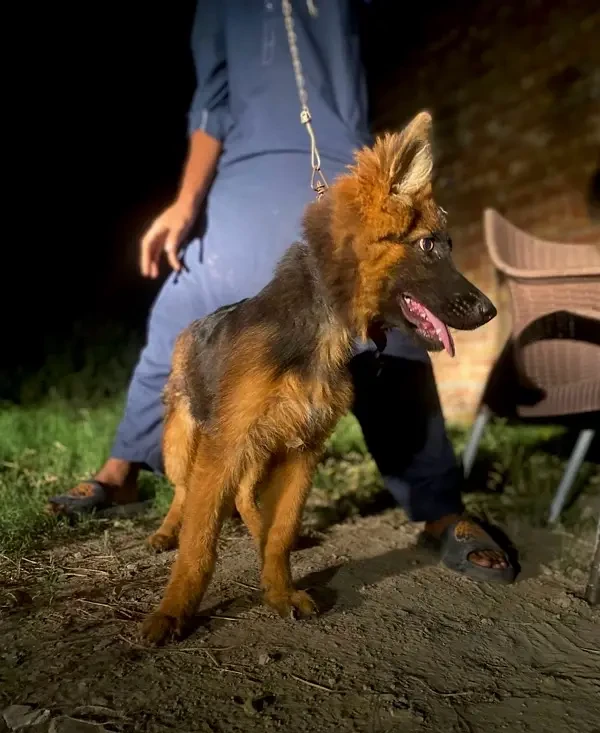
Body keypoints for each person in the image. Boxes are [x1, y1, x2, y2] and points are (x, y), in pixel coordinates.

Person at [48, 0, 514, 582]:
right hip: (248, 165)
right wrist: (187, 203)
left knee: (390, 326)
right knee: (187, 296)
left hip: (339, 157)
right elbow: (210, 107)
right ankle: (122, 471)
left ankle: (439, 506)